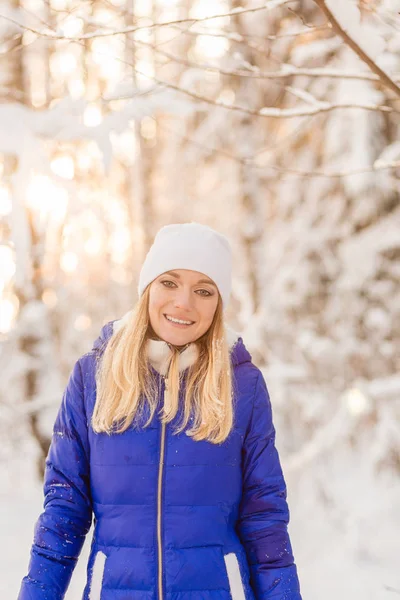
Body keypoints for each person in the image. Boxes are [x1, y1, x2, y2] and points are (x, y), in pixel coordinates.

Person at [18, 222, 302, 600]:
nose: (184, 302)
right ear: (147, 288)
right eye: (169, 282)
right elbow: (63, 513)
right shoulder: (93, 377)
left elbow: (264, 518)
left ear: (218, 305)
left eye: (204, 291)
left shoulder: (242, 385)